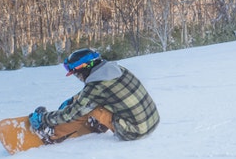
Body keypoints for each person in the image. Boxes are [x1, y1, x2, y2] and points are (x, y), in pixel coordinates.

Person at [29, 48, 160, 143]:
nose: (77, 77)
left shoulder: (95, 86)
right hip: (151, 121)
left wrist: (43, 118)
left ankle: (52, 134)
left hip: (133, 132)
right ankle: (98, 123)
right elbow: (95, 93)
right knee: (91, 101)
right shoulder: (116, 70)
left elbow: (71, 114)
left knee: (89, 108)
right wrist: (74, 99)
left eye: (76, 73)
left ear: (84, 69)